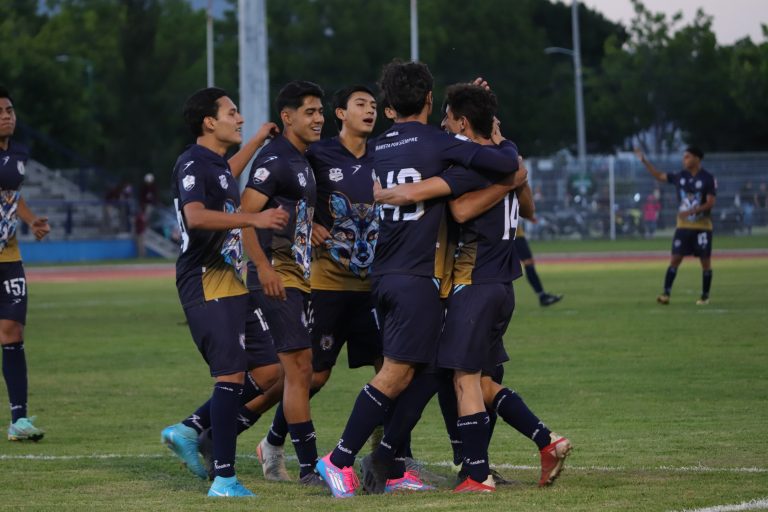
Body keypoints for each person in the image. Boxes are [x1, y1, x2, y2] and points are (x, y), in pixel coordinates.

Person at [314, 61, 521, 499]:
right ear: (429, 99)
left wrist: (467, 114)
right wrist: (484, 128)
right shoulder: (442, 143)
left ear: (389, 107)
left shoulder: (379, 146)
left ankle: (389, 466)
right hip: (417, 276)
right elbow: (505, 162)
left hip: (385, 273)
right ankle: (339, 459)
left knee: (424, 374)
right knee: (394, 374)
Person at [254, 85, 385, 481]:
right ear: (341, 113)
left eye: (374, 105)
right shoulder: (316, 153)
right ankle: (272, 441)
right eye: (360, 104)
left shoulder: (383, 155)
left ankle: (386, 457)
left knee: (389, 369)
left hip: (373, 285)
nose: (370, 110)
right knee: (313, 376)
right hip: (326, 283)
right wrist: (306, 225)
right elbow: (287, 194)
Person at [165, 86, 288, 497]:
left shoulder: (215, 165)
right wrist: (254, 219)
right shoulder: (192, 161)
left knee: (271, 371)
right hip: (204, 279)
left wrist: (256, 142)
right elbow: (196, 216)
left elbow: (226, 174)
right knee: (231, 376)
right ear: (208, 122)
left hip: (230, 281)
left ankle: (191, 428)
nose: (240, 118)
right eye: (232, 113)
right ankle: (224, 479)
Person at [241, 80, 326, 487]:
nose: (318, 119)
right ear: (287, 117)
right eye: (310, 112)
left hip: (298, 275)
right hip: (277, 275)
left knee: (295, 371)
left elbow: (289, 215)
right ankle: (310, 468)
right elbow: (244, 216)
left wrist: (313, 229)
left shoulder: (301, 159)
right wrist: (263, 268)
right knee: (299, 368)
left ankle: (209, 429)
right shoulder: (274, 159)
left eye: (320, 111)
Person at [0, 87, 51, 442]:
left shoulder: (18, 154)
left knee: (13, 331)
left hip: (9, 255)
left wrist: (31, 220)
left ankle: (18, 420)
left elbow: (12, 197)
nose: (7, 116)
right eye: (0, 112)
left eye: (10, 111)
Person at [635, 146, 717, 305]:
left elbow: (710, 202)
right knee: (675, 259)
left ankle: (705, 296)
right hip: (683, 227)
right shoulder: (680, 176)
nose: (684, 159)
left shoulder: (707, 178)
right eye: (684, 157)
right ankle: (666, 294)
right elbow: (659, 175)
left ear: (697, 159)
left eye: (687, 156)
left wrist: (692, 211)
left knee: (705, 261)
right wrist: (644, 161)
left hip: (703, 227)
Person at [514, 221, 563, 305]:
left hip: (513, 235)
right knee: (527, 265)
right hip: (513, 235)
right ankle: (542, 296)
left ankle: (542, 296)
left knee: (528, 265)